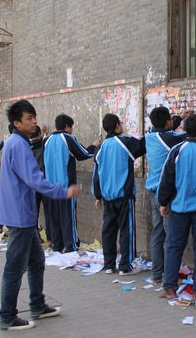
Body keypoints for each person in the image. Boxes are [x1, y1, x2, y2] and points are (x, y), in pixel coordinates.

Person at [0, 99, 81, 331]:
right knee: (15, 268)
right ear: (17, 123)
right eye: (29, 118)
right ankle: (7, 316)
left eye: (34, 117)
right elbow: (34, 178)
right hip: (20, 216)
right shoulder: (18, 145)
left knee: (36, 262)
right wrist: (63, 191)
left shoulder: (17, 142)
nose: (34, 122)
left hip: (23, 214)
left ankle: (37, 304)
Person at [157, 114, 196, 300]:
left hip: (179, 208)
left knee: (173, 247)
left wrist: (163, 202)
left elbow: (167, 178)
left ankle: (170, 287)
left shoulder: (177, 150)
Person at [92, 114, 146, 275]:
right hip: (124, 195)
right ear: (117, 125)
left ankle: (109, 265)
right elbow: (144, 144)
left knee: (108, 231)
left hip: (107, 197)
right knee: (126, 230)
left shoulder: (100, 148)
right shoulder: (125, 142)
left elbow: (96, 174)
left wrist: (97, 195)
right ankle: (125, 266)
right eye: (120, 123)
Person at [145, 106, 187, 284]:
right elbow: (189, 136)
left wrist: (179, 118)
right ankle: (169, 277)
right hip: (166, 194)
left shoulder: (149, 136)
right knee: (171, 237)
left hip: (152, 191)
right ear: (167, 122)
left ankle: (157, 274)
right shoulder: (170, 139)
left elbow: (167, 130)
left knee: (157, 234)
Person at [43, 114, 96, 253]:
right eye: (71, 127)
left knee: (55, 218)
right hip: (66, 187)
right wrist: (94, 147)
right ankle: (70, 245)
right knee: (68, 217)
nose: (72, 130)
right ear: (67, 126)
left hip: (50, 187)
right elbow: (83, 154)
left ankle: (57, 245)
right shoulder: (68, 138)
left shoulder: (46, 140)